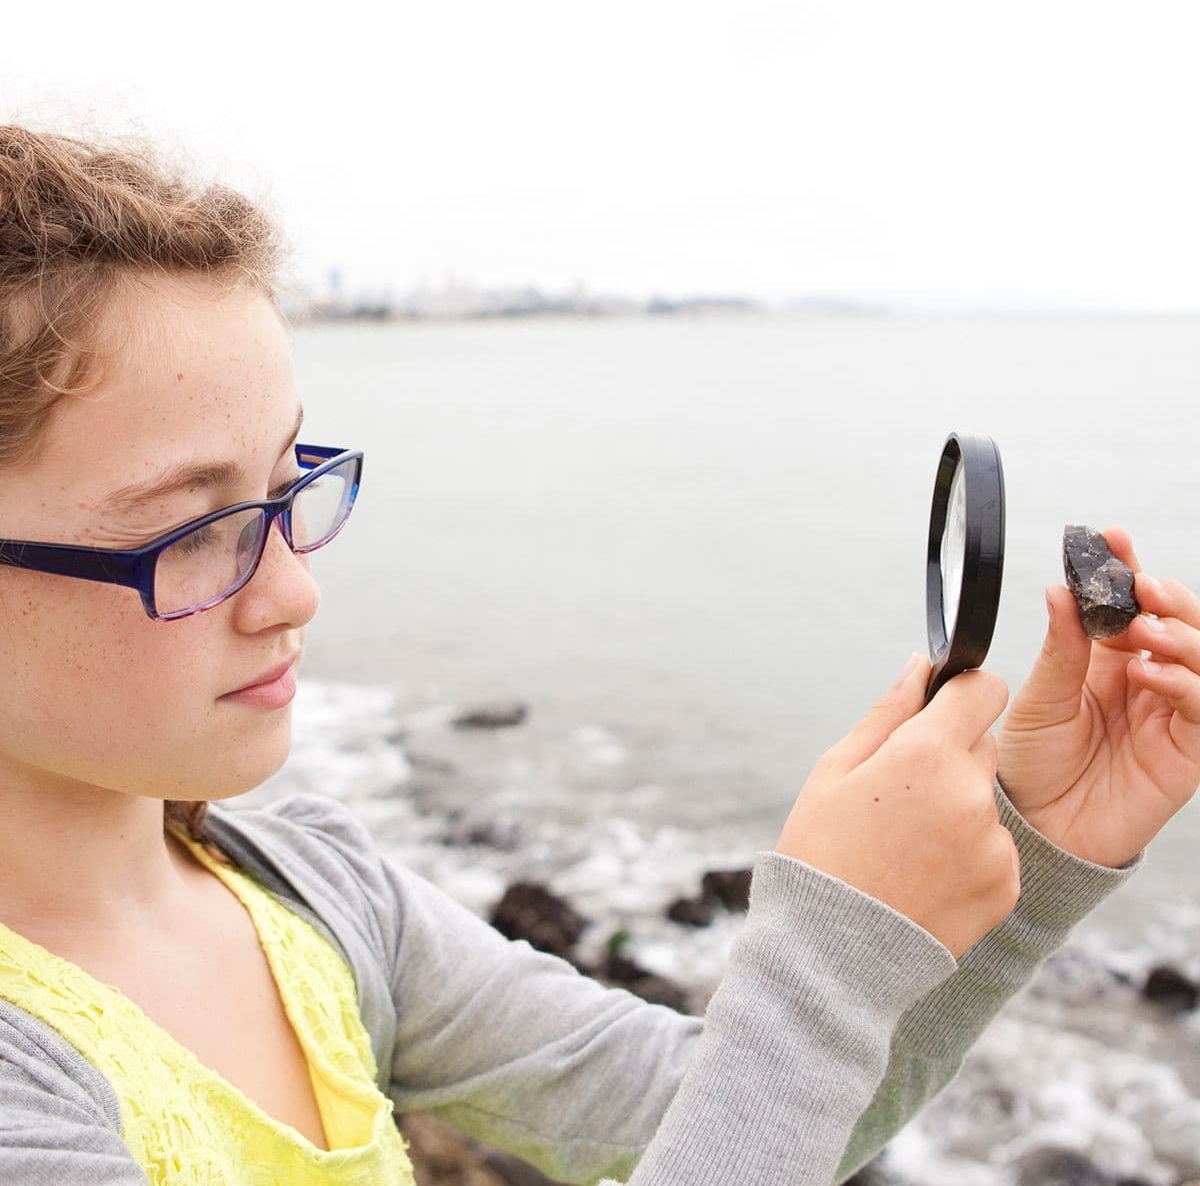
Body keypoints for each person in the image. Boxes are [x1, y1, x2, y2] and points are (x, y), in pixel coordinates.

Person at [0, 122, 1195, 1186]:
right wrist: (823, 961)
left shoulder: (315, 894)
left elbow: (755, 1118)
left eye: (285, 488)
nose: (295, 592)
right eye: (193, 531)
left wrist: (1031, 850)